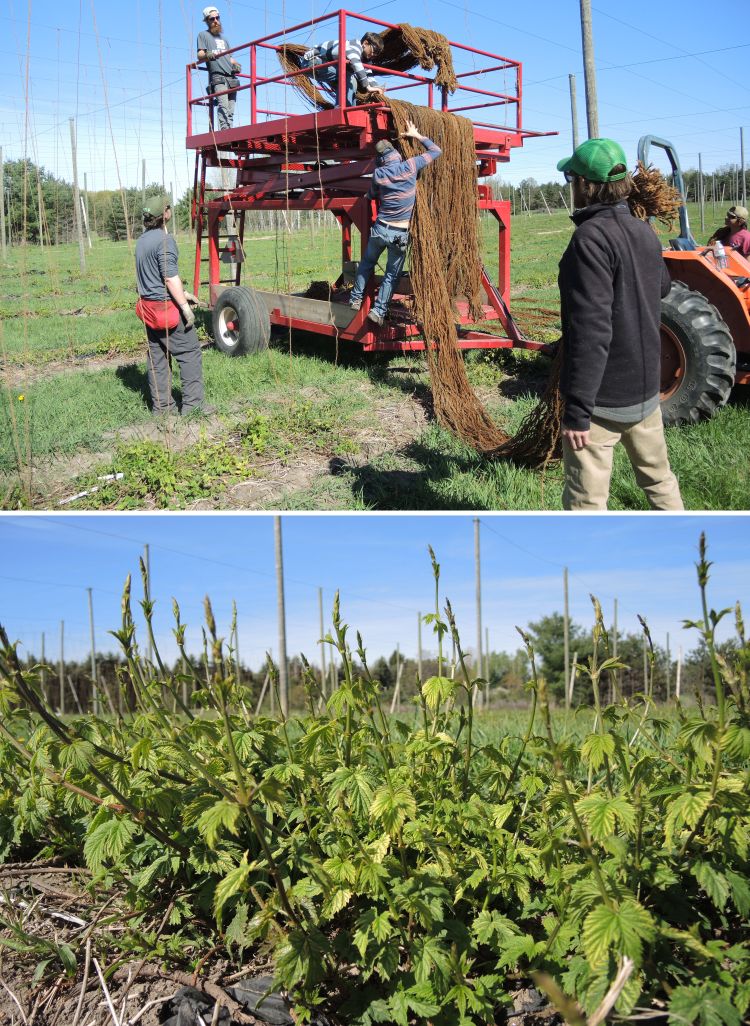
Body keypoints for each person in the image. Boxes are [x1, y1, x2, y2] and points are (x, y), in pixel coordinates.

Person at [556, 138, 684, 511]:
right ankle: (691, 561)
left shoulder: (590, 239)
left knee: (586, 505)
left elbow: (590, 331)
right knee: (660, 481)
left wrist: (578, 411)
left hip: (603, 405)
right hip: (646, 394)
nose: (572, 186)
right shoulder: (643, 231)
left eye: (571, 178)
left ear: (586, 185)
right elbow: (662, 286)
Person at [349, 120, 442, 325]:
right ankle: (378, 312)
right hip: (399, 233)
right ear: (396, 154)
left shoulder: (379, 174)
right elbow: (436, 151)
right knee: (392, 274)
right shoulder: (410, 166)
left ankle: (355, 299)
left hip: (380, 229)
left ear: (381, 160)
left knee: (366, 264)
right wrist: (416, 135)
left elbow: (371, 196)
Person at [135, 194, 208, 417]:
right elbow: (169, 277)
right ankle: (193, 407)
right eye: (169, 208)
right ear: (164, 214)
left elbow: (152, 277)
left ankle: (163, 409)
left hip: (148, 308)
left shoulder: (142, 241)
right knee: (190, 353)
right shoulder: (165, 241)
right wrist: (184, 306)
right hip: (167, 310)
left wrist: (183, 292)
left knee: (157, 359)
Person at [299, 31, 385, 107]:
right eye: (374, 51)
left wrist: (377, 88)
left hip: (323, 65)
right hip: (312, 62)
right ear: (365, 43)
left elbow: (368, 74)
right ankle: (343, 109)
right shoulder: (354, 46)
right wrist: (368, 87)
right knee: (349, 77)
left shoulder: (366, 58)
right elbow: (356, 63)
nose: (374, 55)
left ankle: (350, 109)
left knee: (351, 79)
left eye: (377, 53)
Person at [197, 6, 241, 131]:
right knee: (223, 105)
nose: (216, 20)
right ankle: (224, 131)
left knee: (231, 108)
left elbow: (230, 57)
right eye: (212, 19)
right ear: (207, 21)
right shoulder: (203, 35)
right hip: (218, 77)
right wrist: (207, 54)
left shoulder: (224, 39)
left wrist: (236, 65)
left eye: (217, 17)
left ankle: (229, 130)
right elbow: (199, 54)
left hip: (231, 76)